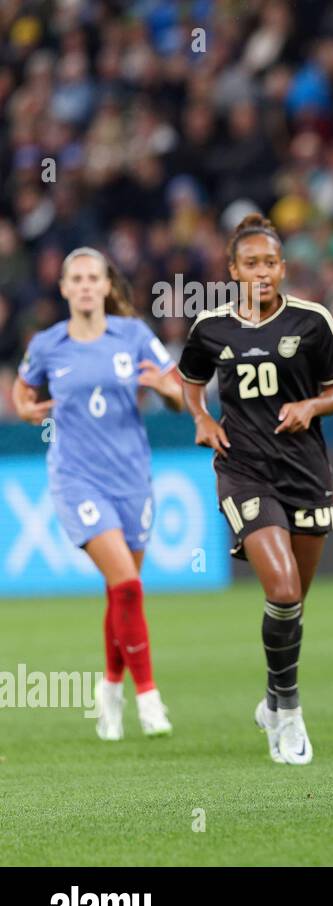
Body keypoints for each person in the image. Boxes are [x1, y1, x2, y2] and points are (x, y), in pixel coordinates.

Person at [178, 214, 333, 765]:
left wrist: (312, 405)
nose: (261, 272)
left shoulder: (312, 321)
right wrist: (202, 421)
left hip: (304, 470)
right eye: (250, 263)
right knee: (280, 590)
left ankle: (272, 702)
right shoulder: (211, 328)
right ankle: (291, 711)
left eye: (270, 263)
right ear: (232, 270)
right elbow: (188, 383)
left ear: (282, 268)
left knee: (294, 603)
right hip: (243, 468)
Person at [11, 247, 181, 740]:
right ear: (63, 288)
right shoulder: (48, 344)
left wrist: (168, 393)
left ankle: (109, 688)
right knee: (127, 585)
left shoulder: (133, 335)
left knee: (120, 591)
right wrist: (24, 410)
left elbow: (177, 393)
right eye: (76, 279)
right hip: (76, 477)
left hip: (131, 477)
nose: (85, 286)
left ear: (107, 286)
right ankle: (149, 698)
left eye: (94, 278)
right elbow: (22, 393)